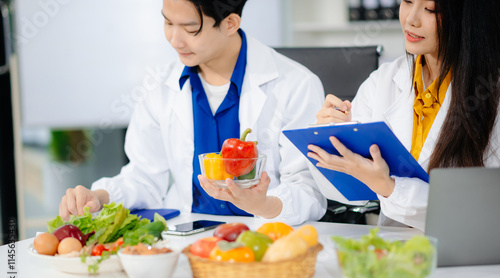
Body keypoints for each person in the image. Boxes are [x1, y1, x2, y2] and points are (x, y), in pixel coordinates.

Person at [58, 0, 327, 225]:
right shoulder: (159, 85)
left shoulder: (296, 85)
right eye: (168, 23)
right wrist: (99, 196)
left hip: (265, 239)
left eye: (190, 28)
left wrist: (265, 204)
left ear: (230, 23)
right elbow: (144, 177)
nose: (175, 39)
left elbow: (309, 191)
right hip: (188, 241)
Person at [307, 0, 500, 231]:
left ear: (470, 20)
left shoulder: (490, 92)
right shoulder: (384, 81)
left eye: (431, 10)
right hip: (395, 250)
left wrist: (389, 187)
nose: (411, 19)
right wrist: (330, 137)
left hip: (468, 256)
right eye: (407, 1)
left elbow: (482, 211)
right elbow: (349, 195)